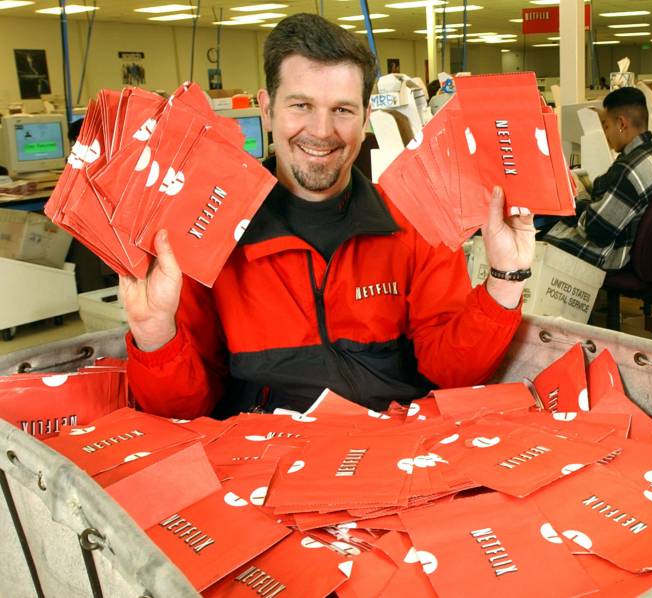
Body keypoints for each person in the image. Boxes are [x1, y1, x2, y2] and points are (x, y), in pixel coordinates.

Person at [121, 14, 535, 419]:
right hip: (261, 469)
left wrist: (505, 276)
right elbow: (184, 412)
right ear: (267, 109)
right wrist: (154, 330)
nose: (321, 131)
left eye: (342, 110)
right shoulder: (209, 235)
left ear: (366, 115)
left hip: (395, 458)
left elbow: (451, 373)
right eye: (301, 105)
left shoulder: (415, 222)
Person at [542, 87, 652, 271]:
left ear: (621, 124)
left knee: (538, 247)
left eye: (606, 126)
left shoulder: (629, 171)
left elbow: (596, 230)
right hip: (636, 247)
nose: (605, 134)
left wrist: (573, 203)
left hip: (615, 254)